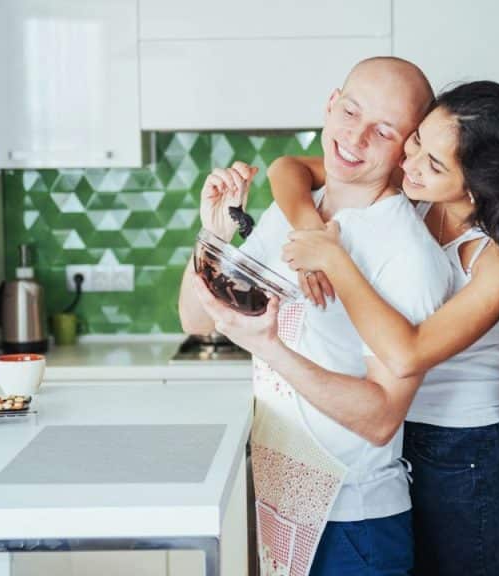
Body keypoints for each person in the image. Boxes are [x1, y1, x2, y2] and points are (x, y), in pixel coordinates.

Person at [216, 80, 499, 576]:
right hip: (399, 443)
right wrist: (310, 227)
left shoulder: (498, 258)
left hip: (465, 461)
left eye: (434, 164)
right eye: (416, 142)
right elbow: (290, 169)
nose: (410, 164)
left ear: (478, 182)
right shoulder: (416, 193)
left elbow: (407, 353)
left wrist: (333, 258)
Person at [179, 57, 454, 576]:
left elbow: (379, 419)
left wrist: (269, 348)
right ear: (331, 104)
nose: (357, 136)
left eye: (384, 130)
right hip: (282, 500)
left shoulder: (408, 255)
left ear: (406, 148)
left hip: (355, 523)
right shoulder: (293, 207)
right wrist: (212, 237)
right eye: (351, 111)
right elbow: (196, 319)